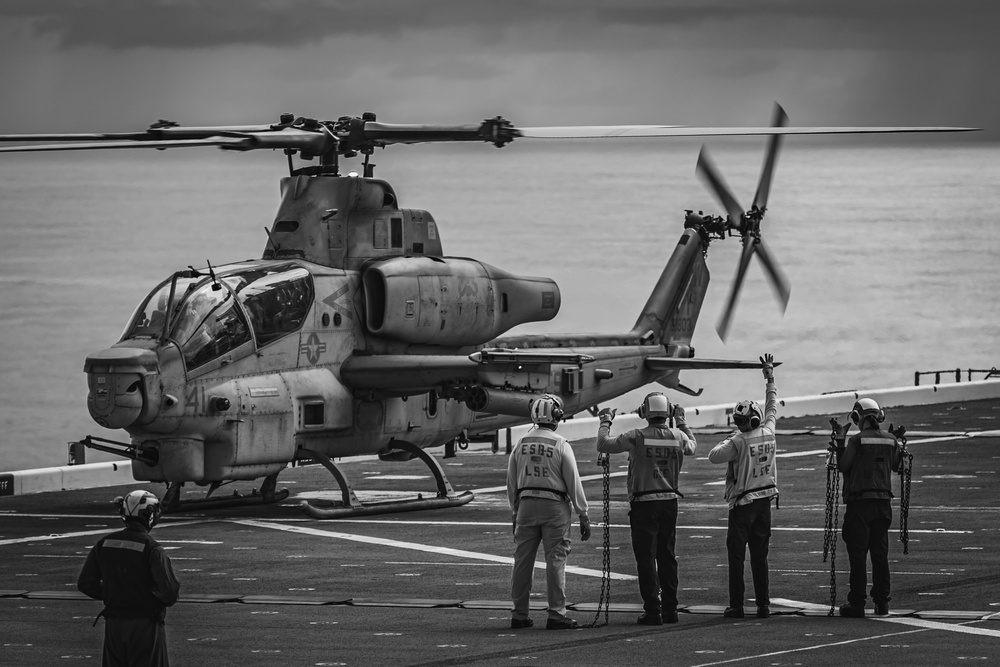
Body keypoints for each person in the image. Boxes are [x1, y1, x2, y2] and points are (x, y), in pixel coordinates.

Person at [596, 391, 696, 625]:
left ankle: (653, 610)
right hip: (669, 502)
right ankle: (671, 609)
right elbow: (692, 447)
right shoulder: (678, 436)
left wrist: (605, 421)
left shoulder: (637, 436)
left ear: (645, 413)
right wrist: (681, 421)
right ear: (668, 412)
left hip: (644, 504)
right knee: (667, 555)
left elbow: (604, 443)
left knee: (646, 557)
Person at [507, 393, 591, 630]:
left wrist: (515, 511)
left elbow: (511, 482)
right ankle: (556, 613)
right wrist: (582, 514)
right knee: (555, 559)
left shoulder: (520, 444)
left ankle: (519, 614)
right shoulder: (560, 444)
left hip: (524, 505)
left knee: (522, 561)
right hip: (554, 506)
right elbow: (573, 481)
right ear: (556, 415)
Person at [709, 354, 778, 620]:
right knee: (760, 558)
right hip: (765, 504)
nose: (738, 425)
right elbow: (772, 406)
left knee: (737, 558)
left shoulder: (737, 441)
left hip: (742, 507)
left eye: (739, 422)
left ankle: (737, 606)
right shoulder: (770, 431)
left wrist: (734, 435)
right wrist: (769, 376)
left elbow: (713, 456)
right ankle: (763, 605)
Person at [78, 489, 181, 666]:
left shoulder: (104, 543)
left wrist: (117, 593)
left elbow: (86, 583)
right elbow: (169, 593)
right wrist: (140, 596)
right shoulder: (152, 549)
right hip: (144, 626)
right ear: (150, 515)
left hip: (114, 625)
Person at [831, 397, 905, 618]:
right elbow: (898, 466)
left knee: (858, 554)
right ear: (879, 417)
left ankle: (857, 603)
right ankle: (882, 602)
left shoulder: (857, 441)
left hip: (860, 504)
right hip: (883, 505)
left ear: (857, 417)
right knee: (879, 554)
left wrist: (840, 440)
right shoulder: (890, 440)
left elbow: (843, 465)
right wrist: (897, 442)